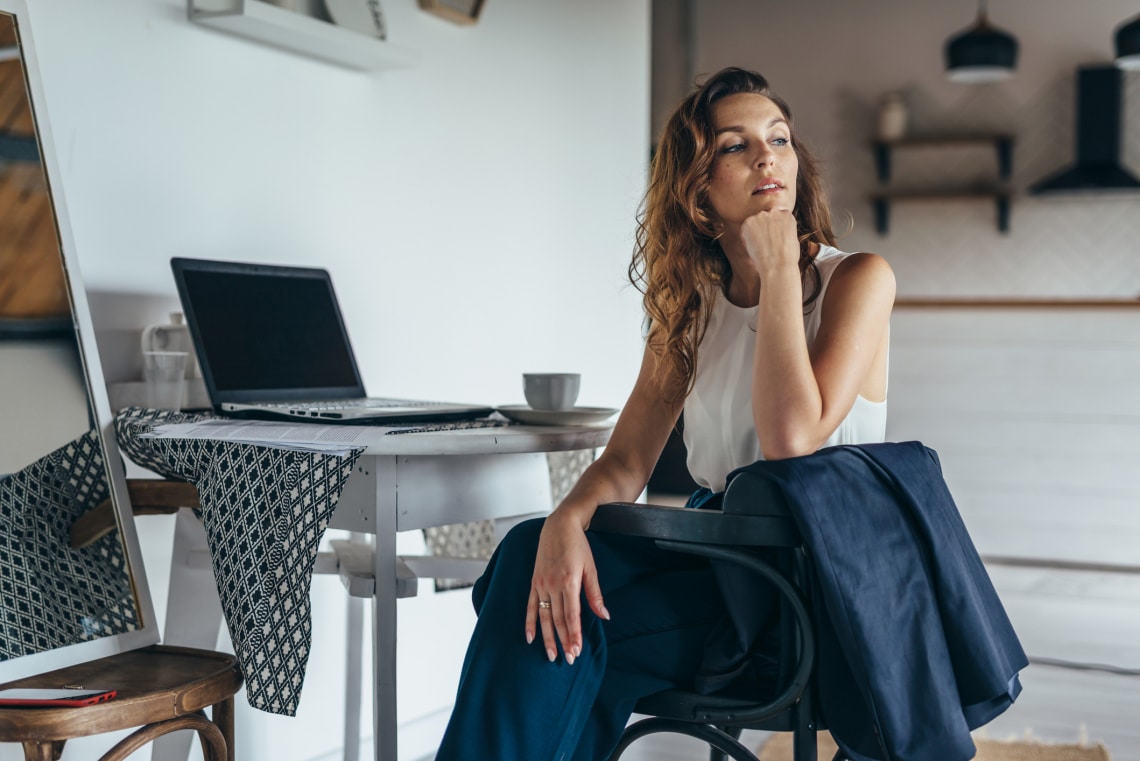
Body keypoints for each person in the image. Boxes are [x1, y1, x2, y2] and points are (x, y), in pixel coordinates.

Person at [435, 66, 895, 760]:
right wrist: (566, 520)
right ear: (699, 190)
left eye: (779, 138)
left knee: (540, 624)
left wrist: (776, 274)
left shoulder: (857, 279)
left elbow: (791, 439)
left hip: (808, 586)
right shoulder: (692, 308)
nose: (767, 155)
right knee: (534, 563)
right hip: (712, 560)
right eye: (736, 146)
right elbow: (626, 461)